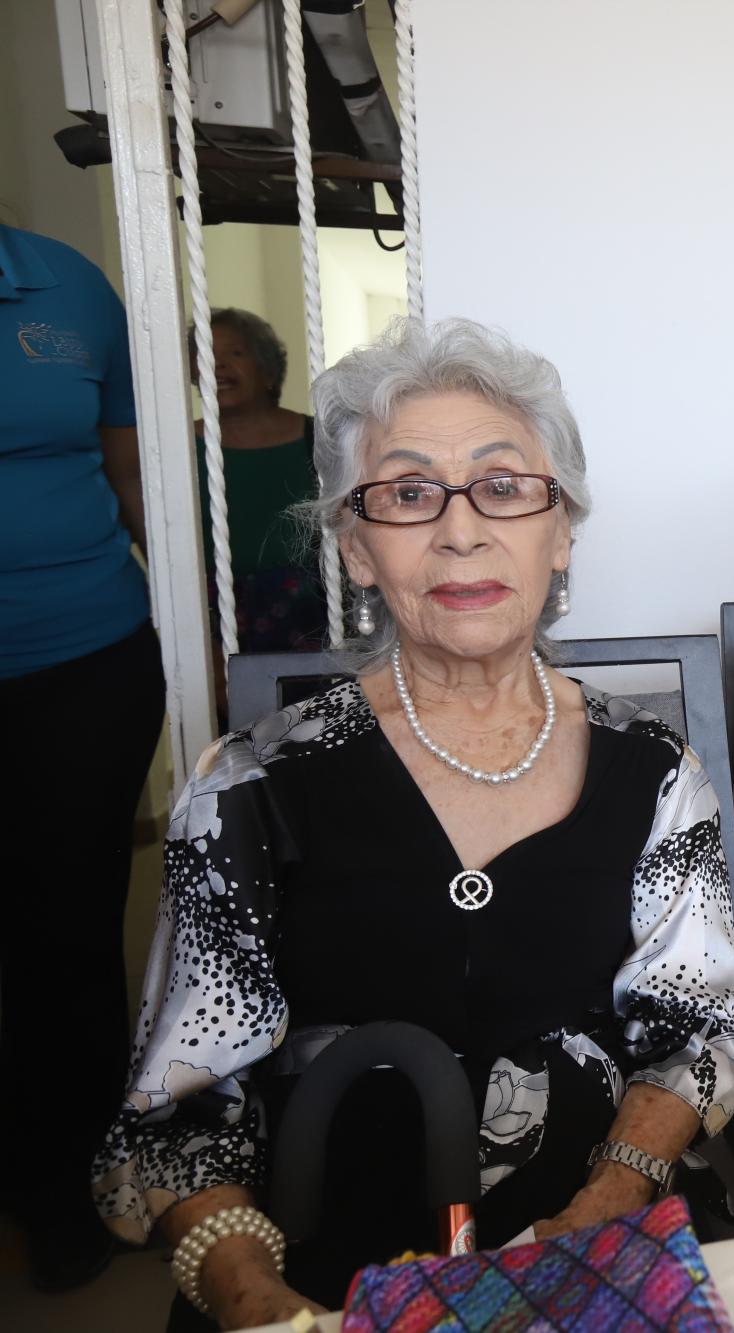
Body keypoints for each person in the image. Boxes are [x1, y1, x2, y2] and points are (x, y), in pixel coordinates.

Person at [93, 319, 734, 1329]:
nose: (460, 531)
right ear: (356, 548)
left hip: (592, 1263)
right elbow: (181, 1111)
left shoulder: (656, 772)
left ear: (560, 529)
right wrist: (261, 1299)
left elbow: (693, 1038)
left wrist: (598, 1212)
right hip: (320, 1280)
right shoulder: (252, 783)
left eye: (502, 486)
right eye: (407, 495)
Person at [0, 222, 165, 1291]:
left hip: (85, 660)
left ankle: (71, 1186)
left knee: (65, 932)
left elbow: (135, 480)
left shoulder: (65, 285)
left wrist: (213, 639)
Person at [191, 308, 325, 652]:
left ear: (267, 370)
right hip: (212, 618)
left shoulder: (319, 437)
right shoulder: (179, 446)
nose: (218, 364)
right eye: (206, 352)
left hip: (317, 616)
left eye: (234, 353)